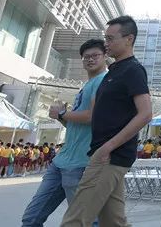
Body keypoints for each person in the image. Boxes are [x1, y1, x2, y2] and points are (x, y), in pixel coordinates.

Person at [60, 16, 152, 227]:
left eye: (110, 39)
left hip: (109, 156)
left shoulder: (133, 70)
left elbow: (146, 114)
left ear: (129, 39)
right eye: (105, 38)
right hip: (105, 154)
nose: (106, 43)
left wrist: (108, 147)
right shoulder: (114, 71)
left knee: (75, 220)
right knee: (113, 222)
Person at [21, 38, 108, 227]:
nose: (90, 59)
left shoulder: (103, 81)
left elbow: (93, 117)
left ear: (105, 57)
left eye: (95, 55)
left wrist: (62, 113)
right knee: (31, 218)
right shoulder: (86, 85)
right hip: (62, 162)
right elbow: (77, 127)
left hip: (82, 164)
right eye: (86, 57)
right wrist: (62, 117)